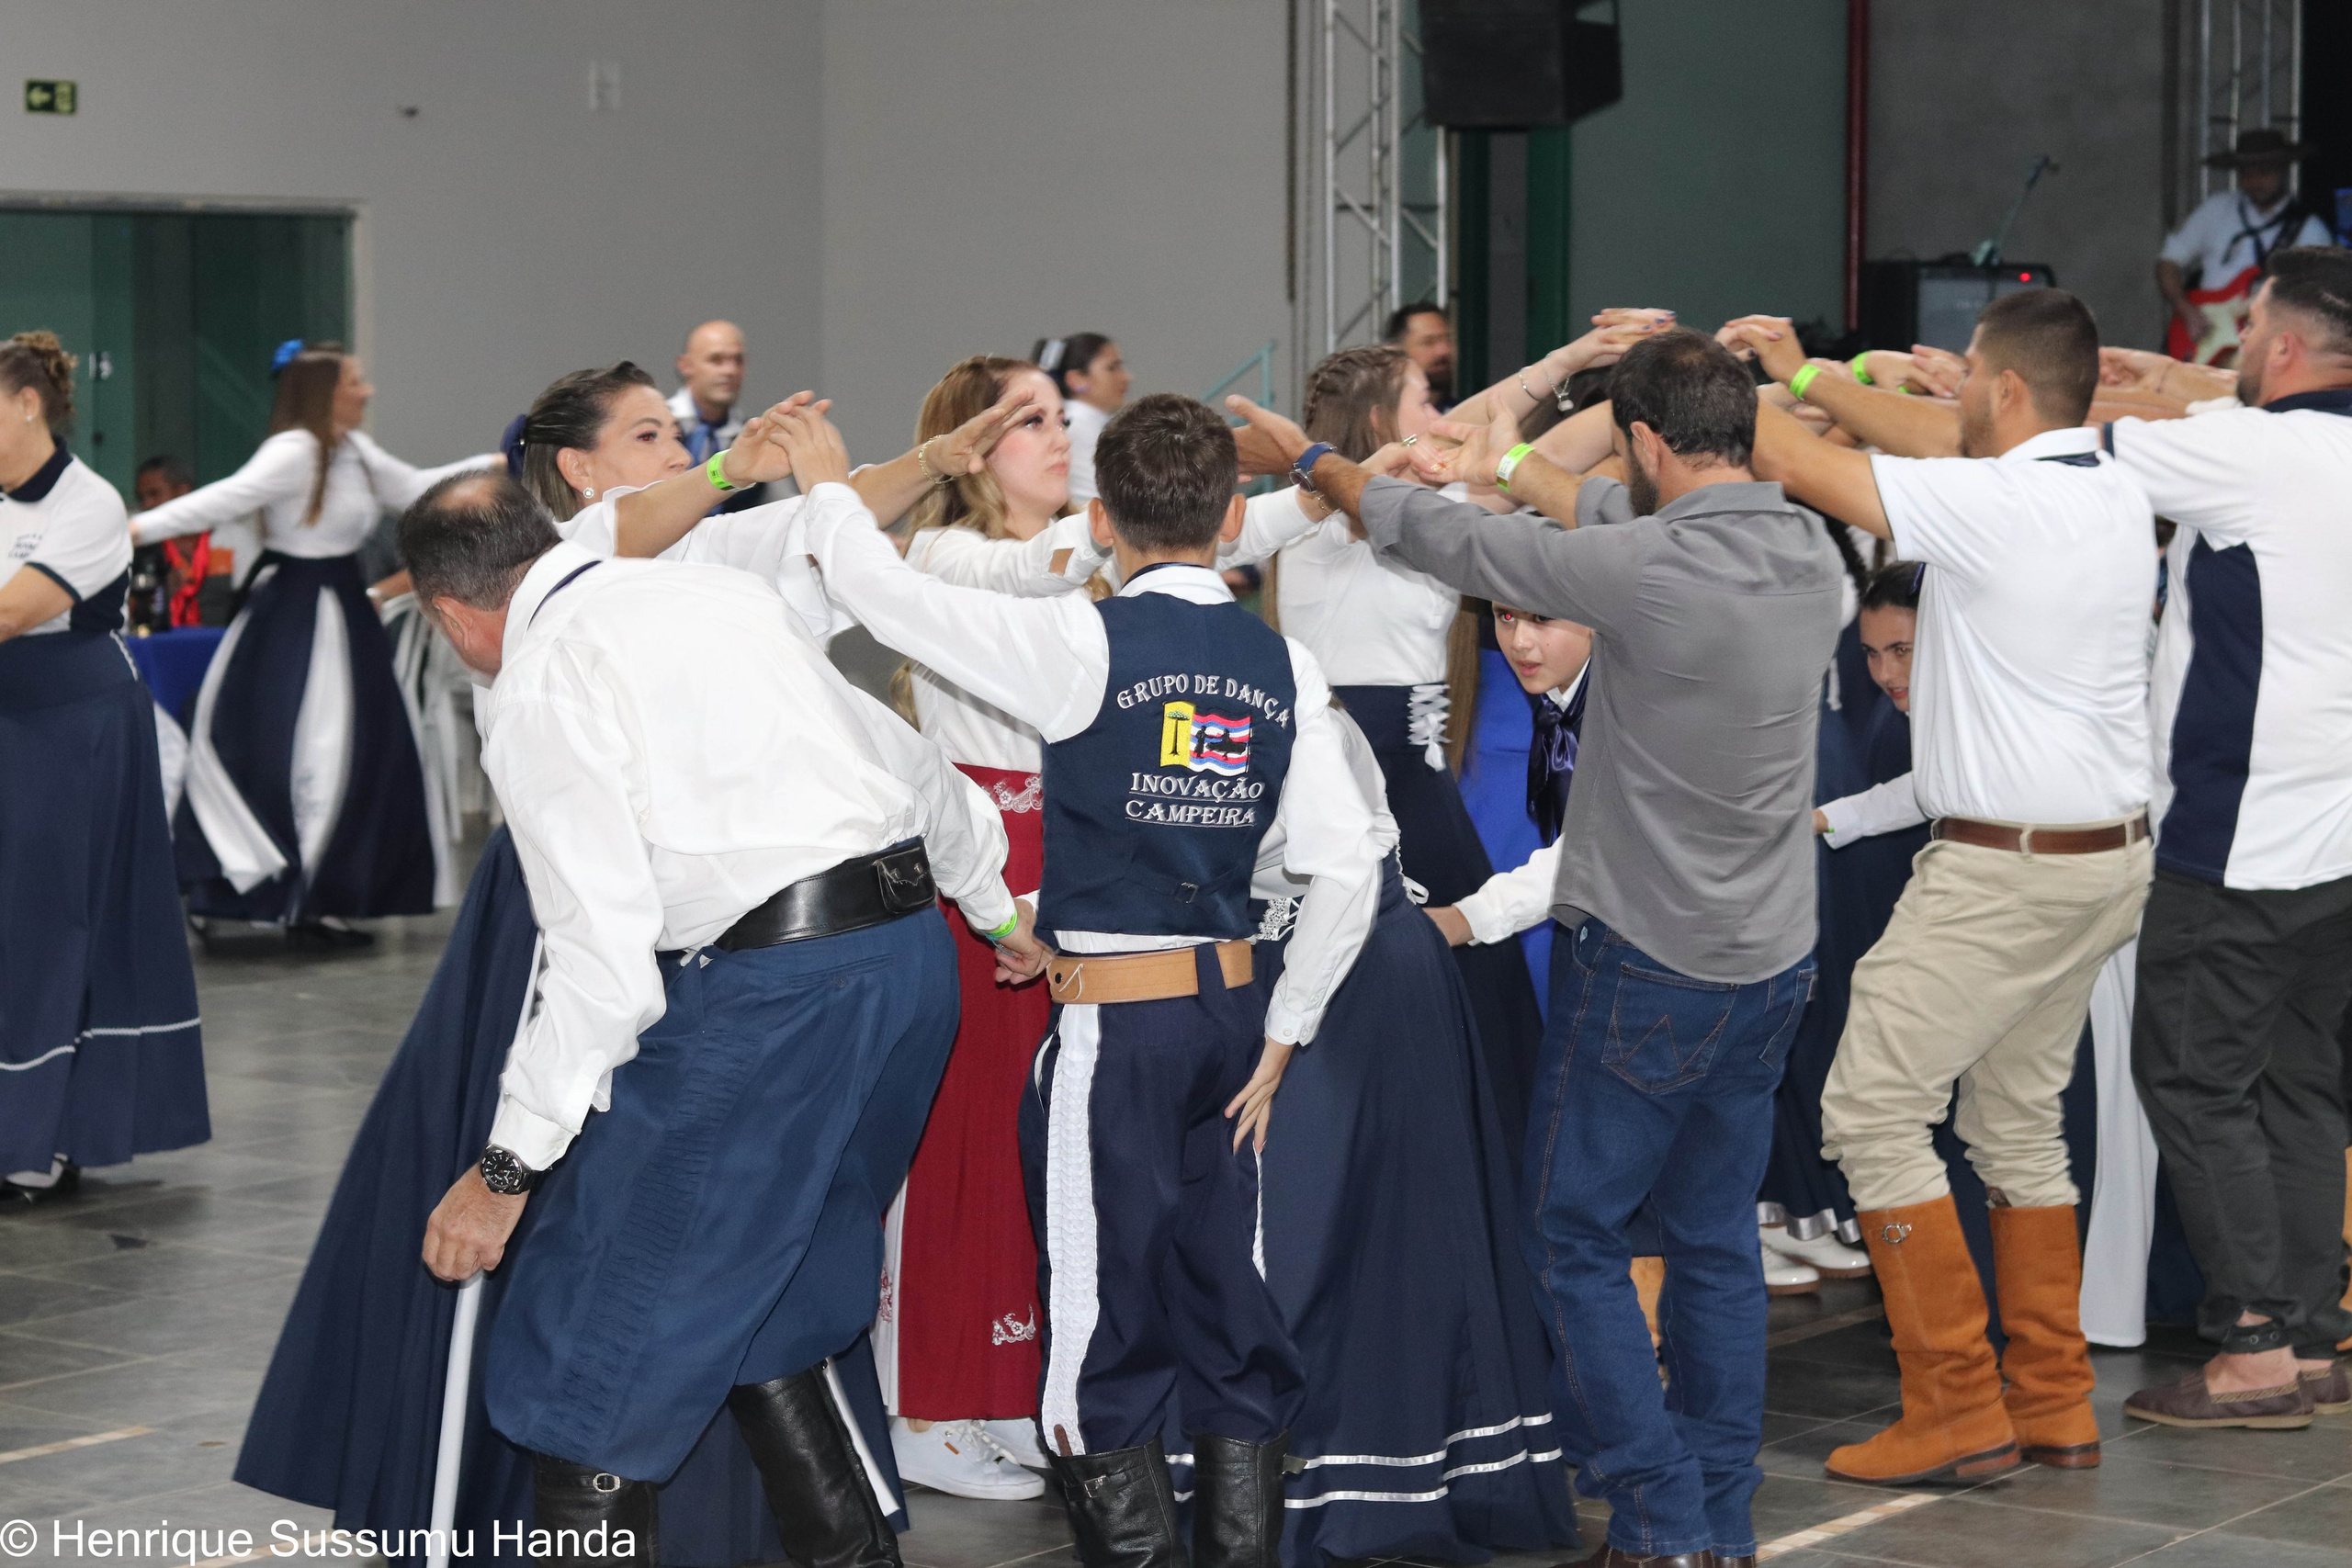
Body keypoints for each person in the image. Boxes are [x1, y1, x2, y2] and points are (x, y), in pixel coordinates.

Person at [1238, 326, 1840, 1568]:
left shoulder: (1648, 569)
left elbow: (1442, 533)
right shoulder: (1800, 545)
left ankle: (1664, 1513)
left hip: (1650, 960)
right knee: (1718, 1242)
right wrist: (1513, 452)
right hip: (1772, 954)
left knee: (1571, 1235)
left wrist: (1308, 456)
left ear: (1654, 440)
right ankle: (1714, 1518)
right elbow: (1585, 496)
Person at [780, 392, 1380, 1568]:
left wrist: (828, 488)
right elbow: (1343, 865)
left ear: (1105, 520)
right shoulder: (1281, 662)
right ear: (1223, 518)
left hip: (1116, 1030)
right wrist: (1283, 1032)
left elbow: (881, 593)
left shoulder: (1082, 643)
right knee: (1227, 1303)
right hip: (1231, 1013)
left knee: (1096, 1333)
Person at [404, 469, 1043, 1565]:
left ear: (451, 612)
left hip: (779, 996)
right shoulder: (708, 596)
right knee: (778, 1297)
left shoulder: (544, 682)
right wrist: (992, 905)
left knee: (595, 1339)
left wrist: (506, 1171)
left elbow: (601, 960)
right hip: (905, 966)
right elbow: (905, 758)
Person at [1728, 288, 2155, 1486]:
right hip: (2102, 862)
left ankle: (1958, 1403)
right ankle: (2055, 1397)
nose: (1954, 391)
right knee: (2016, 1122)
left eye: (1969, 374)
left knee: (1866, 1108)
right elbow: (1923, 442)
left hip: (2003, 869)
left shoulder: (2001, 501)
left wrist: (1755, 390)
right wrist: (1819, 377)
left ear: (2008, 393)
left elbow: (1807, 468)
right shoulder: (2110, 483)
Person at [2099, 247, 2352, 1429]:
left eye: (2242, 325)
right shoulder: (2304, 443)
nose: (2228, 346)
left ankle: (2249, 1342)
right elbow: (2210, 409)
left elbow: (2059, 437)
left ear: (2285, 345)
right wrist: (2162, 378)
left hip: (2237, 838)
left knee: (2196, 1085)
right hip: (2337, 837)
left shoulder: (2254, 455)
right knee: (2298, 1088)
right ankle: (2308, 1335)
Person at [878, 355, 1106, 1503]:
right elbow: (1037, 564)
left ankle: (1002, 1382)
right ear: (968, 445)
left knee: (1034, 1139)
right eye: (1028, 422)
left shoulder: (1067, 560)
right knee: (959, 1140)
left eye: (1062, 419)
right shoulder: (940, 557)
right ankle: (927, 1403)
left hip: (1060, 849)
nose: (1058, 438)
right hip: (982, 859)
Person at [130, 341, 496, 935]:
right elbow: (221, 499)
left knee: (355, 752)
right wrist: (134, 528)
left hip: (344, 610)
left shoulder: (353, 450)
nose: (366, 390)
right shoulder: (293, 451)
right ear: (327, 391)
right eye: (355, 380)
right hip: (292, 614)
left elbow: (415, 489)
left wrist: (496, 463)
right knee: (293, 747)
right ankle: (271, 889)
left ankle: (324, 891)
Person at [0, 330, 208, 1206]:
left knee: (54, 922)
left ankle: (37, 1140)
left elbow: (13, 610)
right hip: (15, 722)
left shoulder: (86, 503)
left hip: (72, 729)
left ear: (26, 403)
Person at [2159, 130, 2332, 367]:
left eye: (2264, 172)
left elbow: (2319, 298)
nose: (2255, 180)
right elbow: (2168, 262)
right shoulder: (2216, 209)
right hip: (2204, 334)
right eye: (2247, 174)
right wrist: (2186, 310)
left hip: (2266, 348)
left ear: (2282, 170)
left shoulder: (2310, 230)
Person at [670, 320, 769, 513]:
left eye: (738, 360)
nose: (730, 371)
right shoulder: (654, 430)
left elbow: (784, 502)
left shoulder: (754, 436)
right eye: (716, 360)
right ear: (685, 365)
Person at [1033, 334, 1127, 503]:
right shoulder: (1076, 425)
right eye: (1112, 368)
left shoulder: (1092, 423)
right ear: (1076, 380)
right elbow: (1103, 498)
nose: (1126, 377)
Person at [1384, 300, 1456, 409]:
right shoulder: (1381, 419)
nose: (1444, 350)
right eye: (1428, 342)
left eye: (1448, 340)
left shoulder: (1466, 416)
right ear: (1397, 351)